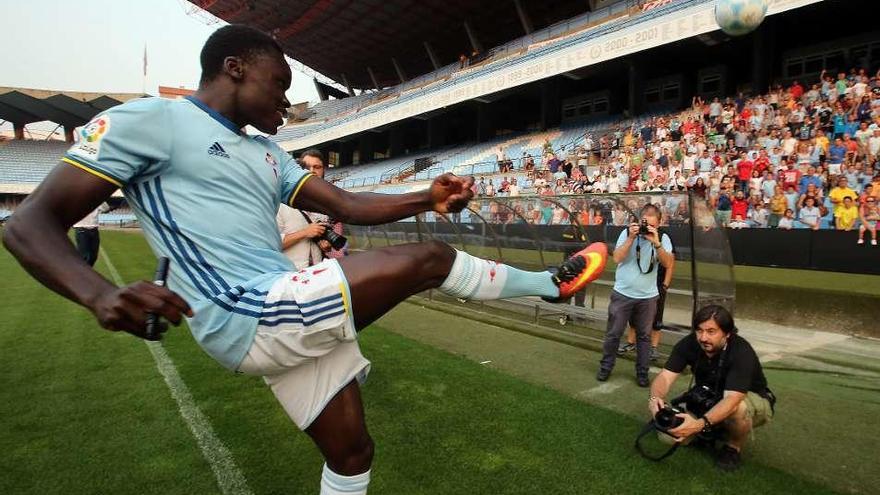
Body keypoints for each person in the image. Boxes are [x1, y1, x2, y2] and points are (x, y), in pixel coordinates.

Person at [2, 25, 609, 495]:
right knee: (428, 259)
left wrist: (426, 195)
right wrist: (99, 294)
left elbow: (345, 203)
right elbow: (27, 224)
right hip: (247, 311)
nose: (286, 103)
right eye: (279, 85)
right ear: (234, 69)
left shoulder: (267, 152)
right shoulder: (150, 121)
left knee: (351, 454)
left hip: (280, 303)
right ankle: (550, 287)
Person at [648, 305, 774, 471]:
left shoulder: (741, 351)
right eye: (699, 330)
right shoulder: (689, 343)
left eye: (711, 331)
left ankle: (733, 447)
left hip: (749, 398)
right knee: (668, 436)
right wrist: (655, 398)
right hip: (710, 394)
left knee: (737, 410)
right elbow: (665, 376)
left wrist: (700, 424)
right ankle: (709, 432)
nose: (703, 337)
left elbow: (732, 399)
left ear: (727, 333)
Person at [598, 204, 673, 387]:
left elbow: (668, 262)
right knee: (613, 334)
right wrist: (631, 238)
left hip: (648, 297)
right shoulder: (627, 233)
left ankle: (642, 373)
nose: (648, 229)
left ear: (659, 223)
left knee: (644, 337)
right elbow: (616, 258)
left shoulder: (663, 238)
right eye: (646, 225)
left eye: (652, 226)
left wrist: (656, 242)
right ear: (639, 221)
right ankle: (606, 368)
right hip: (622, 293)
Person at [276, 150, 337, 269]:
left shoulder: (326, 205)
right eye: (307, 167)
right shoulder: (280, 203)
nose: (312, 171)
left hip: (317, 273)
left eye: (317, 167)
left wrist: (326, 245)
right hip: (289, 275)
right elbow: (269, 245)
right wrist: (304, 233)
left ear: (323, 170)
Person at [618, 240, 675, 363]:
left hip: (658, 284)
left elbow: (670, 263)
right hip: (642, 283)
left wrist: (665, 285)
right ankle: (630, 342)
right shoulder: (640, 238)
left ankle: (653, 347)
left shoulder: (663, 238)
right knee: (634, 316)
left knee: (656, 317)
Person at [72, 202, 111, 266]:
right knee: (84, 256)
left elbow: (106, 209)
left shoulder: (97, 200)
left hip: (94, 230)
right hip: (81, 230)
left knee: (93, 256)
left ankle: (86, 271)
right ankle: (82, 273)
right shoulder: (76, 199)